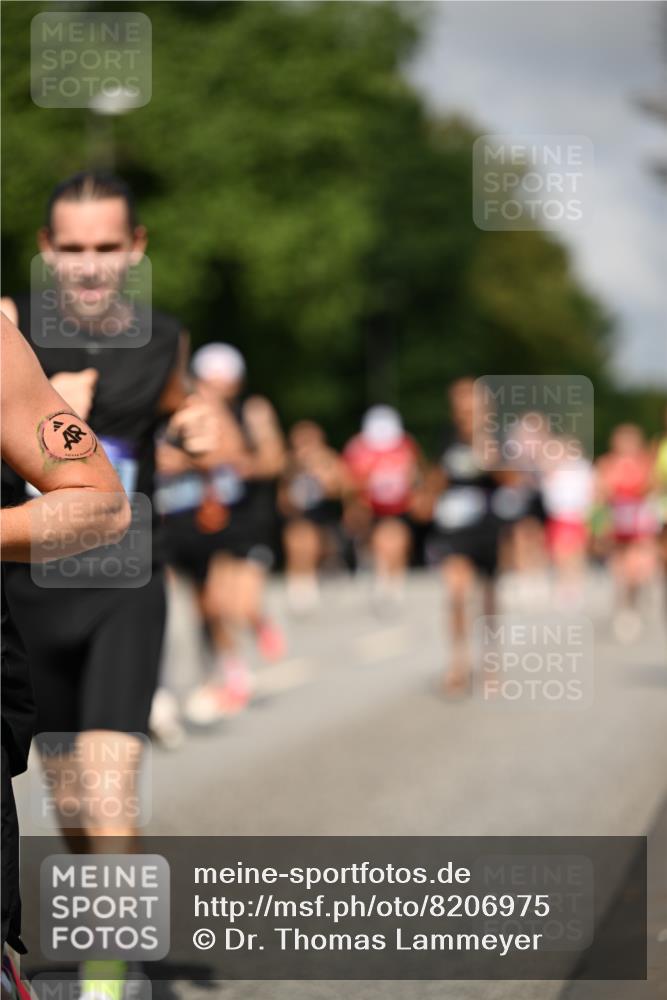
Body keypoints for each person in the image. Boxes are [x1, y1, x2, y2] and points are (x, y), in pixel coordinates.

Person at [0, 171, 193, 997]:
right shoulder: (14, 333)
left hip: (120, 586)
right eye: (72, 248)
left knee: (107, 790)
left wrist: (199, 430)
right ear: (46, 251)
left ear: (135, 248)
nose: (88, 265)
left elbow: (183, 416)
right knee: (73, 802)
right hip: (28, 595)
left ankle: (112, 980)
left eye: (106, 247)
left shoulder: (162, 339)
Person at [1, 313, 130, 967]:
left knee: (102, 791)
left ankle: (110, 958)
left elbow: (103, 503)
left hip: (121, 593)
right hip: (36, 612)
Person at [157, 342, 287, 723]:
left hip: (247, 521)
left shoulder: (251, 411)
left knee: (238, 606)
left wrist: (207, 457)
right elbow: (173, 459)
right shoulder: (183, 411)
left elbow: (261, 459)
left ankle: (255, 628)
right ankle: (233, 675)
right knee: (213, 607)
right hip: (205, 522)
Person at [426, 378, 507, 696]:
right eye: (459, 402)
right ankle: (458, 663)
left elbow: (511, 480)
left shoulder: (497, 437)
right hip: (454, 527)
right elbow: (434, 480)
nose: (465, 408)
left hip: (488, 526)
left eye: (471, 401)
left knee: (487, 599)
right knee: (457, 593)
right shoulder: (445, 437)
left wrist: (487, 450)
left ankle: (490, 661)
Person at [343, 405, 424, 608]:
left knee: (392, 535)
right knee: (384, 536)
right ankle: (383, 576)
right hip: (370, 511)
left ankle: (390, 579)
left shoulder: (407, 445)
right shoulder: (357, 448)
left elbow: (417, 480)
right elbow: (349, 486)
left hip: (399, 509)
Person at [596, 423, 660, 641]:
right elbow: (601, 494)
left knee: (639, 567)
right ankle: (623, 609)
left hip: (639, 522)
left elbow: (654, 487)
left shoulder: (645, 462)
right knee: (620, 569)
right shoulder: (607, 463)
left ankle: (634, 604)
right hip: (617, 522)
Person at [279, 420, 350, 613]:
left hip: (325, 516)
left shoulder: (329, 459)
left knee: (315, 540)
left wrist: (324, 477)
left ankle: (319, 575)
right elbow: (283, 498)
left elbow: (345, 488)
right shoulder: (289, 462)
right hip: (299, 516)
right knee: (299, 538)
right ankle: (300, 584)